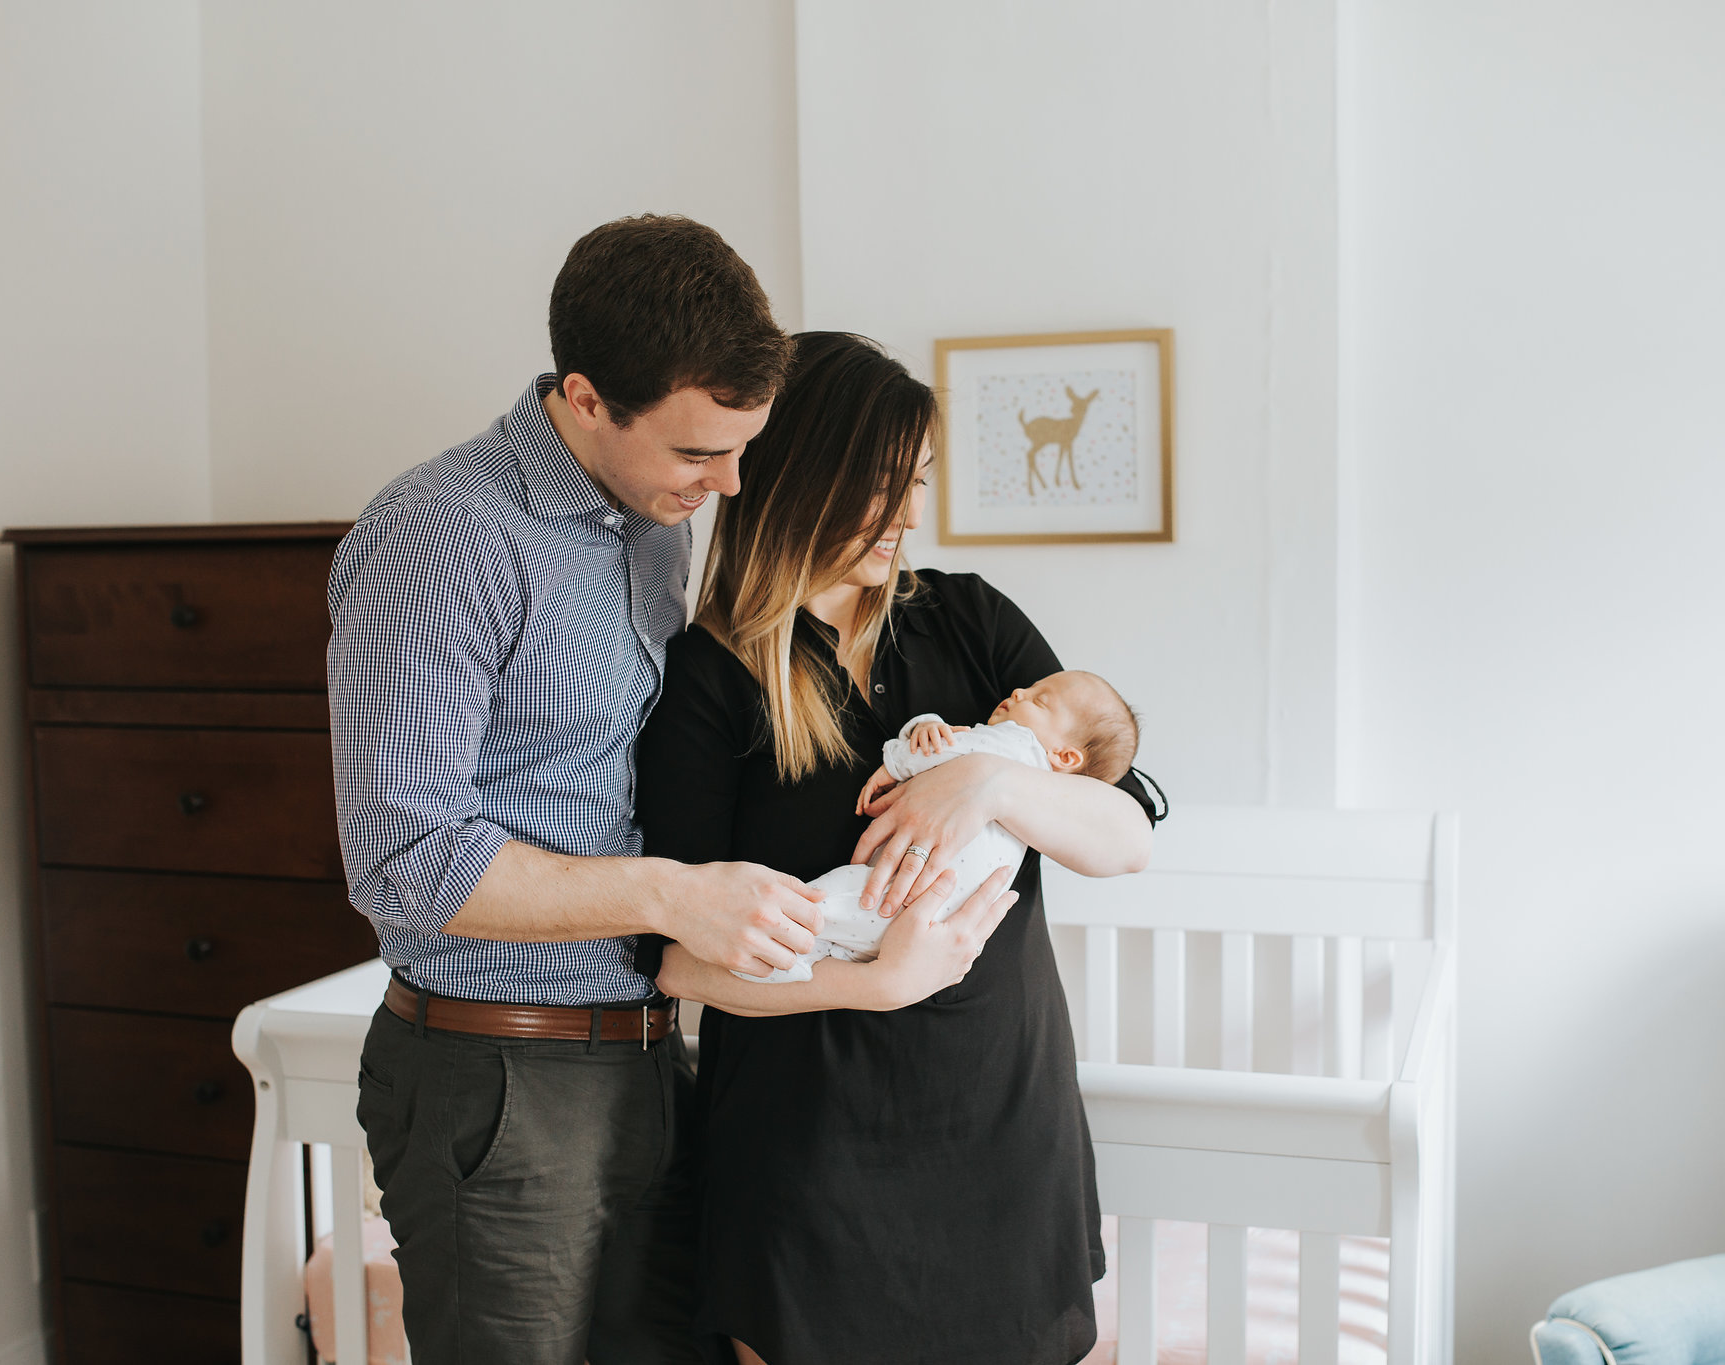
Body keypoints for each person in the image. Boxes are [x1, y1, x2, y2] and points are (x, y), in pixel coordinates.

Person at [328, 215, 834, 1365]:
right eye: (699, 453)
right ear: (587, 397)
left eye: (739, 449)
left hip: (645, 1058)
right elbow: (406, 859)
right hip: (499, 1073)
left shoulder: (649, 527)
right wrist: (672, 894)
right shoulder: (443, 534)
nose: (727, 484)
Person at [638, 331, 1158, 1365]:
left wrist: (992, 782)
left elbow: (1123, 837)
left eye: (916, 483)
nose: (910, 513)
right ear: (800, 476)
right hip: (809, 1149)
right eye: (883, 485)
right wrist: (871, 986)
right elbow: (681, 960)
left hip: (1004, 1118)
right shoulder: (710, 679)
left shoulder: (969, 624)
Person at [735, 670, 1141, 984]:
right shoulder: (1049, 798)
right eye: (1028, 688)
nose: (1018, 693)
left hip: (901, 895)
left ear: (1066, 756)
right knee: (844, 932)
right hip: (938, 921)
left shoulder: (1014, 744)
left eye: (1040, 700)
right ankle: (796, 959)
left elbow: (932, 754)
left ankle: (774, 949)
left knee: (826, 899)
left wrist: (906, 746)